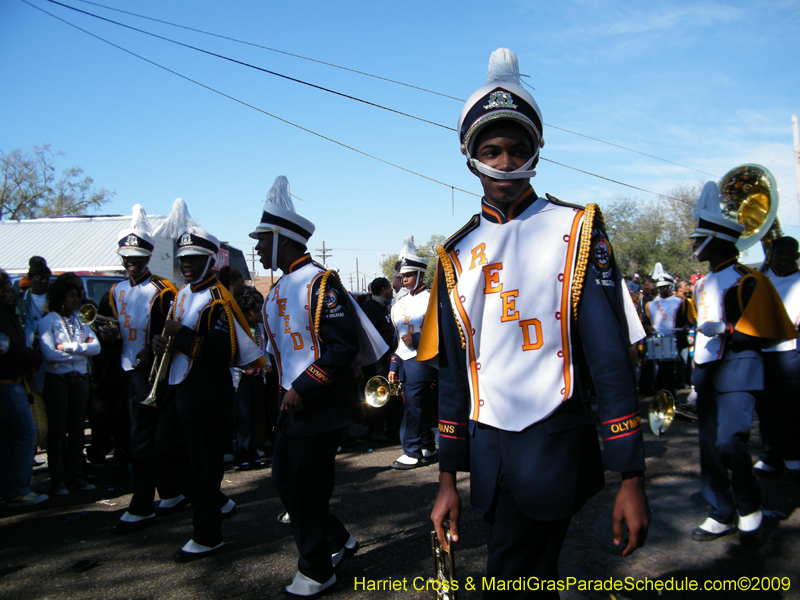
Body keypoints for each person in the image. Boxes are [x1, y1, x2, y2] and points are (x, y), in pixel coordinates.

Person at [419, 48, 649, 597]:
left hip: (555, 446)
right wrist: (447, 478)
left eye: (518, 150)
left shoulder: (576, 229)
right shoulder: (454, 254)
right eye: (492, 151)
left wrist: (631, 475)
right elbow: (454, 377)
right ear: (471, 158)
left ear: (536, 154)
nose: (505, 163)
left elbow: (610, 358)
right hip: (488, 457)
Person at [252, 175, 386, 598]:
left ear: (282, 240)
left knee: (306, 487)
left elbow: (342, 346)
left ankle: (316, 569)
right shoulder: (276, 288)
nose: (256, 247)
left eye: (261, 239)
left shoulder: (320, 282)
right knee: (284, 481)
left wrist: (303, 388)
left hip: (320, 403)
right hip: (293, 405)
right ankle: (338, 540)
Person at [153, 198, 266, 562]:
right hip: (177, 387)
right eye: (182, 259)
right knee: (167, 453)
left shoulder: (218, 299)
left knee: (203, 467)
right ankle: (216, 502)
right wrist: (161, 342)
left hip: (206, 393)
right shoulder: (182, 294)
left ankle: (207, 534)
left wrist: (180, 335)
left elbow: (223, 353)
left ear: (209, 261)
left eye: (193, 260)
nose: (186, 265)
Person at [689, 181, 796, 542]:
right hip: (707, 372)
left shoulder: (749, 281)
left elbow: (767, 331)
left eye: (696, 238)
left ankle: (748, 504)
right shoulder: (702, 284)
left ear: (714, 240)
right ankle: (719, 510)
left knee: (729, 442)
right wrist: (694, 379)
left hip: (740, 366)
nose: (692, 245)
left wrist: (728, 328)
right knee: (707, 446)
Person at [106, 206, 187, 534]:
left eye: (137, 258)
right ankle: (171, 492)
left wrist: (151, 346)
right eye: (127, 257)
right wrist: (110, 336)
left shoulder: (163, 289)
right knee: (148, 438)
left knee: (143, 440)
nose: (131, 263)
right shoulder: (115, 291)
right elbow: (115, 328)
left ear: (148, 257)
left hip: (153, 373)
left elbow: (169, 328)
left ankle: (142, 505)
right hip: (127, 370)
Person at [38, 275, 101, 495]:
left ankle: (75, 477)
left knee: (77, 431)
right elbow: (50, 355)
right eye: (72, 296)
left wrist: (69, 347)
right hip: (59, 381)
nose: (77, 300)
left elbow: (97, 348)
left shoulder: (80, 320)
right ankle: (58, 480)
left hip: (80, 380)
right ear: (60, 298)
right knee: (58, 431)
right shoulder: (48, 322)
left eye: (77, 295)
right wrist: (81, 350)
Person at [1, 269, 49, 508]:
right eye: (4, 289)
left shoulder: (9, 312)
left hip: (12, 381)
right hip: (7, 383)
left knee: (9, 437)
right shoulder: (2, 316)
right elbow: (13, 349)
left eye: (10, 289)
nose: (9, 293)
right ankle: (18, 489)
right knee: (25, 433)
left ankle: (9, 488)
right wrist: (35, 358)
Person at [388, 239, 438, 469]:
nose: (403, 278)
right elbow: (398, 339)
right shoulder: (398, 303)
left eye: (408, 274)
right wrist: (394, 366)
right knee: (416, 404)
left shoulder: (433, 298)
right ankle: (427, 445)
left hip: (426, 360)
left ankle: (412, 450)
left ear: (420, 274)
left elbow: (442, 330)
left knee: (416, 405)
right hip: (406, 361)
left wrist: (418, 339)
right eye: (402, 275)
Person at [754, 236, 800, 481]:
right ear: (772, 254)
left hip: (791, 352)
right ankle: (770, 456)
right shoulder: (760, 280)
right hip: (763, 353)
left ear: (796, 256)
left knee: (791, 408)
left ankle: (793, 455)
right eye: (780, 253)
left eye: (790, 255)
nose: (784, 259)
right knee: (766, 408)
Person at [642, 264, 696, 396]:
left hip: (674, 341)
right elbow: (645, 321)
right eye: (660, 288)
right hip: (655, 341)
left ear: (670, 286)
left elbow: (689, 320)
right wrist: (648, 328)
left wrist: (685, 328)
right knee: (651, 368)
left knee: (670, 371)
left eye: (665, 287)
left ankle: (669, 394)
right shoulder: (651, 304)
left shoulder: (682, 302)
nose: (662, 290)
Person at [230, 293, 270, 470]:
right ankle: (243, 454)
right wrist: (243, 367)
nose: (260, 313)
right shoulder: (237, 328)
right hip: (242, 381)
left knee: (255, 417)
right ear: (246, 312)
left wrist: (267, 364)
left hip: (258, 379)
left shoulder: (260, 328)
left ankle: (253, 453)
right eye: (256, 310)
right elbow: (233, 355)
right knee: (243, 419)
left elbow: (264, 350)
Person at [361, 277, 398, 441]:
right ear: (383, 289)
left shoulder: (384, 308)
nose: (392, 291)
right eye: (390, 288)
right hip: (376, 361)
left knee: (390, 393)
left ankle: (389, 427)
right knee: (378, 392)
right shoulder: (371, 308)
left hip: (386, 358)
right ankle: (376, 429)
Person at [18, 256, 51, 395]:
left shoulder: (54, 299)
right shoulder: (20, 301)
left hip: (50, 354)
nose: (43, 281)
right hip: (30, 356)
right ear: (30, 279)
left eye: (46, 277)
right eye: (39, 277)